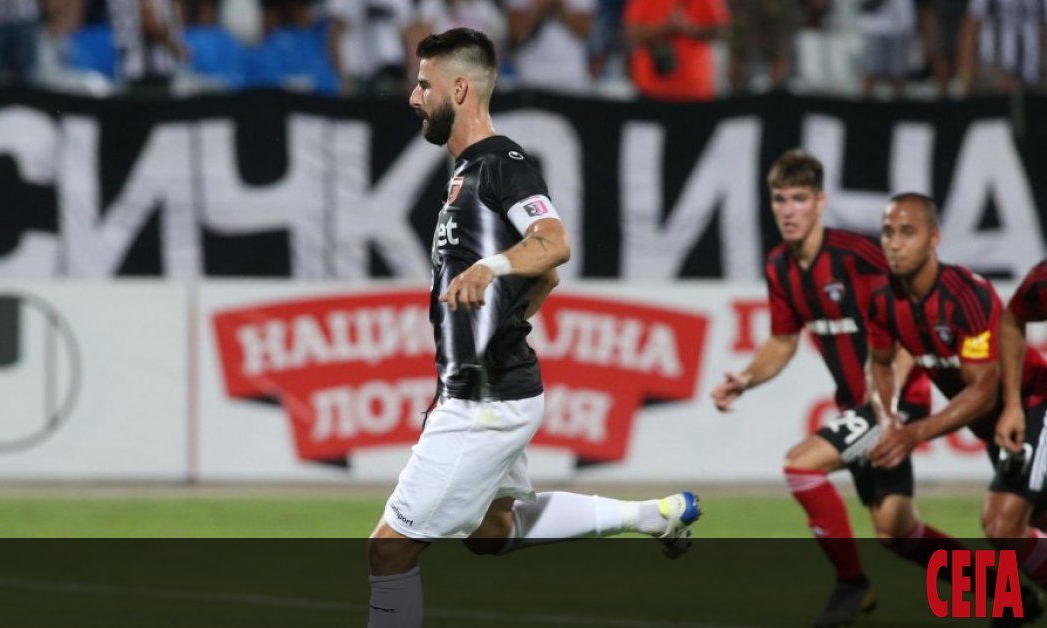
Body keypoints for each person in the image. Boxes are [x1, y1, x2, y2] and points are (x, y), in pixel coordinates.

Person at [367, 27, 702, 628]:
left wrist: (490, 269)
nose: (413, 97)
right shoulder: (466, 174)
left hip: (486, 398)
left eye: (424, 85)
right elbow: (543, 277)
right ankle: (654, 516)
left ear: (459, 89)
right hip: (489, 385)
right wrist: (499, 321)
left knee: (389, 550)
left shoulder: (502, 164)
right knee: (491, 532)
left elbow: (553, 244)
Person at [711, 150, 971, 628]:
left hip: (896, 403)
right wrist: (745, 379)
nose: (788, 210)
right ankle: (1008, 594)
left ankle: (852, 584)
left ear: (820, 202)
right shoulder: (780, 266)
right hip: (860, 405)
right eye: (780, 199)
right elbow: (783, 341)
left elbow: (911, 312)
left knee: (801, 465)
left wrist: (889, 403)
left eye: (799, 199)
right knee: (897, 532)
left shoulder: (858, 256)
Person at [865, 193, 1046, 622]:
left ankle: (1012, 601)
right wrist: (888, 417)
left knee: (1001, 524)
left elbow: (983, 391)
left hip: (1034, 404)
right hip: (997, 428)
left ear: (934, 238)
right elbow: (880, 363)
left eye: (907, 232)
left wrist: (913, 433)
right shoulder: (883, 300)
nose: (894, 243)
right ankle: (1014, 602)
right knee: (1028, 525)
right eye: (888, 232)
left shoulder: (967, 296)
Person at [622, 0, 728, 101]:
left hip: (694, 87)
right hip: (650, 86)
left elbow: (720, 29)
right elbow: (631, 32)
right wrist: (667, 27)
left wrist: (690, 29)